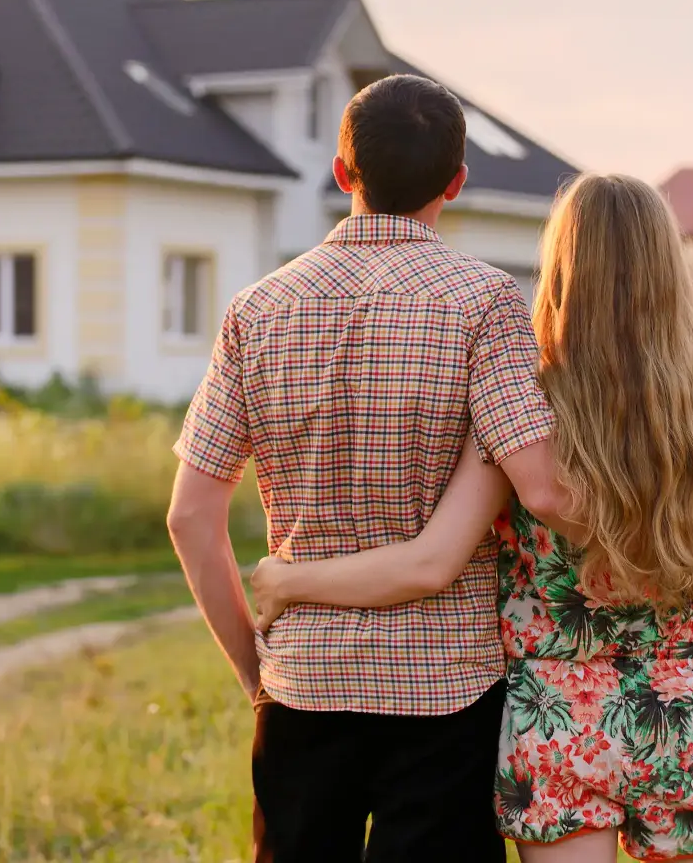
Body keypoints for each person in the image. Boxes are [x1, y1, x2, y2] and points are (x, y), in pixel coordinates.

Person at [252, 173, 693, 863]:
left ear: (561, 268)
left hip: (557, 714)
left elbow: (429, 562)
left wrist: (290, 581)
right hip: (683, 707)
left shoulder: (517, 416)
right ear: (669, 273)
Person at [167, 74, 575, 863]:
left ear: (342, 172)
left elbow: (190, 516)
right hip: (447, 688)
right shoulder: (486, 303)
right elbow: (545, 487)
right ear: (457, 182)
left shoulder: (257, 309)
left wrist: (258, 670)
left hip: (301, 682)